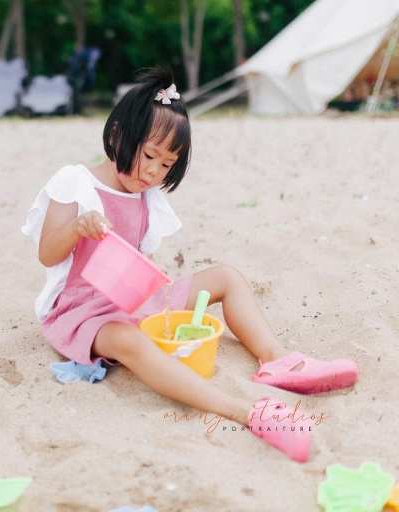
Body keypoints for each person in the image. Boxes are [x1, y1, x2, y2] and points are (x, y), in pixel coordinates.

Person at [21, 67, 358, 463]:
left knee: (226, 277)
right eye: (149, 156)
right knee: (131, 342)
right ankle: (247, 412)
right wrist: (78, 226)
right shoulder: (75, 181)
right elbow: (48, 254)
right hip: (82, 313)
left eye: (166, 165)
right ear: (117, 135)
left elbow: (134, 264)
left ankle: (276, 360)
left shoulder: (146, 196)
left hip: (131, 300)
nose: (153, 172)